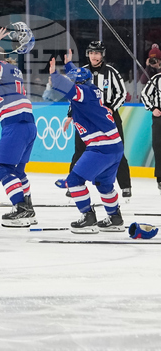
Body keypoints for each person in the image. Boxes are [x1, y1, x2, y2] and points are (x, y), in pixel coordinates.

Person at [49, 53, 125, 232]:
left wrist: (54, 76)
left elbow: (69, 88)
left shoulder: (82, 92)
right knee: (104, 184)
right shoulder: (91, 89)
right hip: (114, 146)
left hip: (101, 147)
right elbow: (77, 76)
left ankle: (88, 217)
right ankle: (115, 218)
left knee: (75, 180)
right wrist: (68, 65)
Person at [0, 25, 38, 227]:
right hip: (28, 123)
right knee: (18, 171)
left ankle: (21, 209)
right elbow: (10, 96)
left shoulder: (1, 68)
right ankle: (27, 208)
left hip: (16, 124)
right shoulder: (13, 71)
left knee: (4, 170)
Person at [65, 41, 131, 197]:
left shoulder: (111, 72)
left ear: (102, 55)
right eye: (91, 53)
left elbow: (122, 93)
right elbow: (74, 97)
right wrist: (70, 115)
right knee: (80, 150)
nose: (94, 56)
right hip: (85, 117)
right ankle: (72, 184)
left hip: (108, 117)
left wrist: (112, 107)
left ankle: (125, 185)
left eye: (97, 53)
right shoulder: (81, 72)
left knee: (117, 148)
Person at [140, 45, 161, 193]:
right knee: (158, 147)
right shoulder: (155, 78)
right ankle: (160, 178)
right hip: (159, 116)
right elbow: (144, 94)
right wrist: (153, 107)